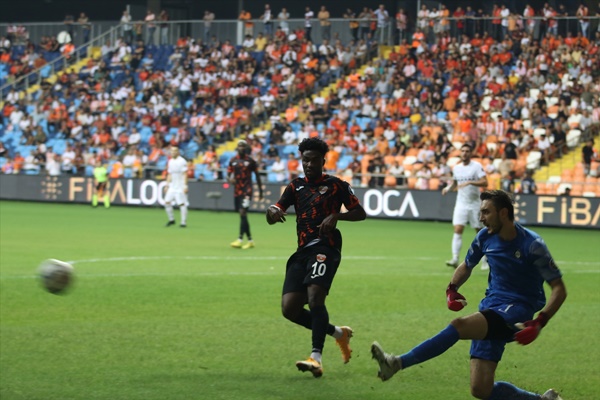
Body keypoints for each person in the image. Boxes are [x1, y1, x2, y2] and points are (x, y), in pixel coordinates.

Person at [371, 190, 567, 400]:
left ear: (503, 213)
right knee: (481, 389)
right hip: (491, 306)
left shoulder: (532, 245)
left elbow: (559, 289)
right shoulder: (484, 237)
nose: (480, 218)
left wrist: (539, 322)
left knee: (459, 326)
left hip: (517, 311)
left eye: (485, 212)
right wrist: (452, 289)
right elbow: (467, 265)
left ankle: (396, 363)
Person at [266, 137, 366, 378]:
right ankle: (338, 334)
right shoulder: (295, 187)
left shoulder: (337, 185)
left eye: (313, 160)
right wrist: (271, 211)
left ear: (323, 160)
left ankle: (316, 358)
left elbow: (360, 212)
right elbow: (274, 213)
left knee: (315, 298)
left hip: (326, 247)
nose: (308, 164)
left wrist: (337, 216)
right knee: (289, 309)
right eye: (305, 160)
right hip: (302, 252)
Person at [442, 143, 488, 269]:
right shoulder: (457, 168)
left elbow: (485, 181)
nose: (464, 153)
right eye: (462, 151)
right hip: (461, 203)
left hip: (474, 204)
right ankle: (455, 258)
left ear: (471, 153)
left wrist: (470, 182)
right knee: (457, 229)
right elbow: (455, 183)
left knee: (479, 232)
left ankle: (485, 258)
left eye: (467, 151)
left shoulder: (476, 166)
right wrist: (447, 188)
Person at [228, 141, 263, 249]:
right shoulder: (233, 160)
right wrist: (230, 179)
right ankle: (250, 240)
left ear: (246, 148)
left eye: (243, 146)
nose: (241, 148)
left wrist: (260, 191)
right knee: (242, 215)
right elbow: (228, 174)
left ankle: (239, 239)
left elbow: (257, 176)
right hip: (237, 190)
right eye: (239, 146)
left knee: (243, 212)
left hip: (247, 190)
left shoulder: (251, 161)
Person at [163, 146, 188, 227]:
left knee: (181, 203)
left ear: (178, 152)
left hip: (180, 185)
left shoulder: (182, 161)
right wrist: (167, 185)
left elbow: (185, 174)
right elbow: (169, 174)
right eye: (172, 151)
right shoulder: (170, 161)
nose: (173, 153)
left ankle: (183, 222)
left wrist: (185, 186)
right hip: (172, 185)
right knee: (167, 202)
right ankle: (171, 219)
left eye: (174, 151)